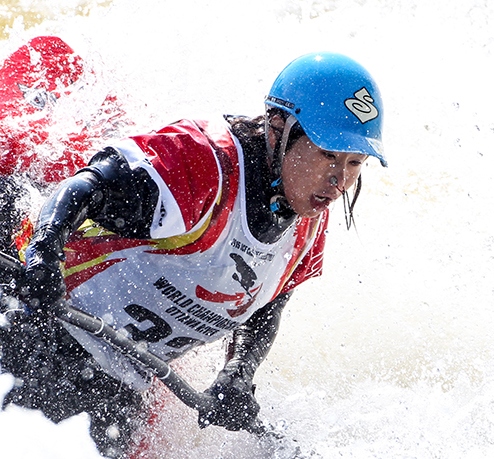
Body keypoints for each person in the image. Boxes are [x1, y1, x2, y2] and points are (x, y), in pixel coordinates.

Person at [0, 50, 386, 458]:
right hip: (34, 321)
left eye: (354, 162)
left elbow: (266, 309)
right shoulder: (200, 165)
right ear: (278, 128)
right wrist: (41, 258)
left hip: (119, 384)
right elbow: (84, 187)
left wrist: (237, 377)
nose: (339, 179)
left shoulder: (307, 222)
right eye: (328, 154)